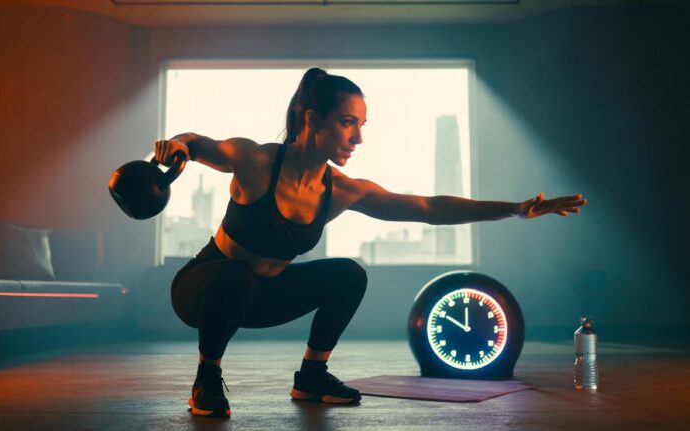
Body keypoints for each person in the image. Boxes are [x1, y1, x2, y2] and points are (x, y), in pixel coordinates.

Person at [154, 67, 587, 418]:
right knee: (237, 275)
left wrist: (514, 208)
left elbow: (429, 207)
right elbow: (199, 144)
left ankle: (311, 376)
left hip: (261, 297)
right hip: (202, 292)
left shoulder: (340, 190)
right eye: (347, 123)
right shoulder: (256, 160)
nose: (358, 138)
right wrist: (177, 146)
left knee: (348, 274)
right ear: (312, 119)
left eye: (361, 126)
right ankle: (207, 379)